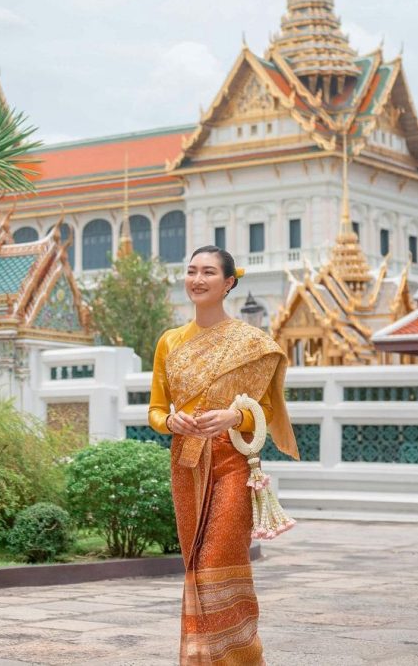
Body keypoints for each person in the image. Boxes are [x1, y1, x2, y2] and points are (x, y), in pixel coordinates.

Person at [149, 245, 299, 665]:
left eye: (209, 272)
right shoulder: (170, 342)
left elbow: (266, 412)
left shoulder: (253, 344)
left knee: (218, 559)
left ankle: (238, 659)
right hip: (186, 460)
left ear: (229, 282)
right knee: (195, 564)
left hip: (233, 462)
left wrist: (236, 414)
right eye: (192, 270)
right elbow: (156, 409)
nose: (197, 279)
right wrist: (170, 423)